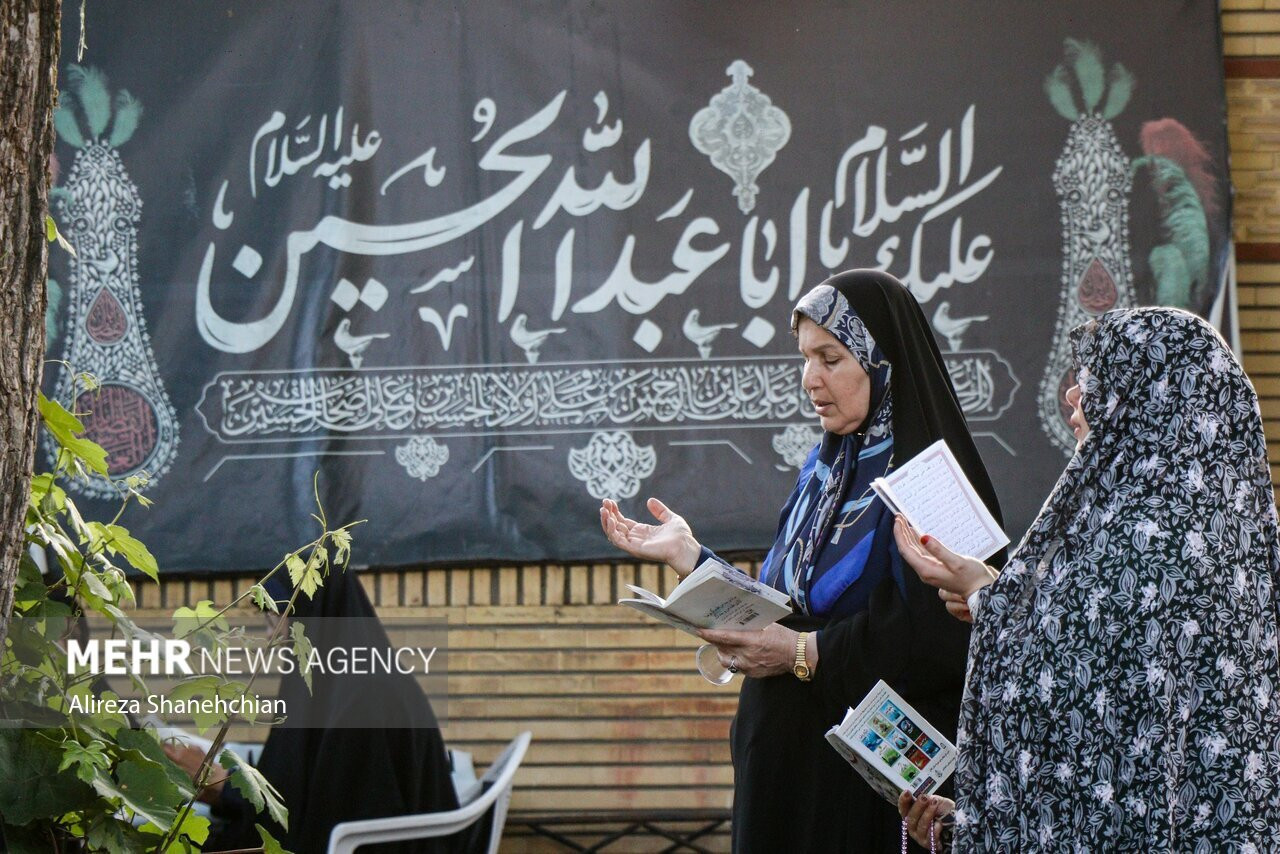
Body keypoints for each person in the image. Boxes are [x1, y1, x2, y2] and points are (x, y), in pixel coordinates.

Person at [600, 269, 1005, 853]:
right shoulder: (825, 472)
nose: (811, 379)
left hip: (866, 798)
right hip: (782, 776)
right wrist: (691, 556)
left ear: (882, 362)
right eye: (806, 359)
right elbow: (790, 607)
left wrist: (804, 653)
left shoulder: (931, 483)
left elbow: (945, 635)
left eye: (831, 359)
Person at [895, 307, 1280, 851]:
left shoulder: (1148, 534)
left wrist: (987, 598)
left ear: (1149, 399)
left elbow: (1078, 685)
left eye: (1096, 382)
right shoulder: (1221, 525)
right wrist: (990, 594)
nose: (1074, 396)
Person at [165, 568, 462, 853]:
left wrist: (224, 788)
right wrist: (226, 786)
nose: (270, 636)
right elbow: (309, 788)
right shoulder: (353, 683)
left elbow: (332, 819)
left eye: (276, 619)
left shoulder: (363, 701)